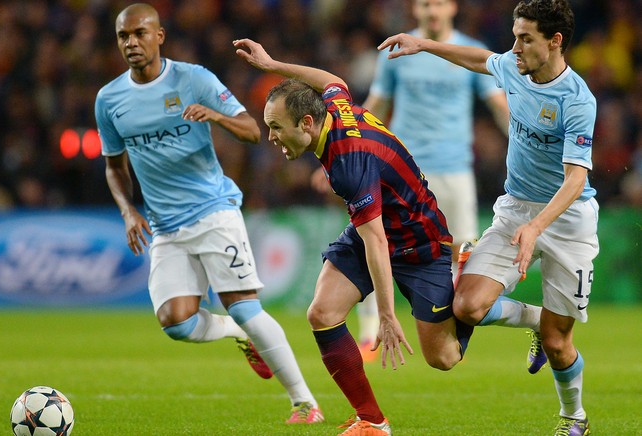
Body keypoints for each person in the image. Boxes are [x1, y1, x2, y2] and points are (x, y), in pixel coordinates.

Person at [234, 37, 484, 436]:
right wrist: (272, 65)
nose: (271, 138)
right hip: (378, 227)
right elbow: (331, 79)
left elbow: (377, 243)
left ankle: (467, 275)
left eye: (276, 127)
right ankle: (373, 421)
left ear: (306, 124)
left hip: (418, 242)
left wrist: (386, 316)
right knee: (322, 313)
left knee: (444, 358)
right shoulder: (332, 108)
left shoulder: (349, 163)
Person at [94, 3, 323, 424]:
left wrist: (214, 115)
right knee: (175, 323)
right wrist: (128, 211)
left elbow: (254, 131)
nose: (132, 43)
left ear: (159, 36)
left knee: (244, 305)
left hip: (214, 213)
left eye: (140, 33)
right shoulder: (109, 100)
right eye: (124, 36)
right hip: (165, 226)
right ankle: (240, 335)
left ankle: (305, 403)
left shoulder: (193, 79)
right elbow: (114, 166)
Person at [379, 0, 598, 434]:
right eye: (515, 36)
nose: (514, 47)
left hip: (568, 219)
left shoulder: (577, 100)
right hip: (516, 209)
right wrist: (423, 43)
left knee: (558, 343)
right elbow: (482, 59)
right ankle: (536, 318)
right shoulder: (515, 67)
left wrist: (537, 228)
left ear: (554, 42)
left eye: (525, 39)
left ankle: (574, 417)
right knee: (468, 306)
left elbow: (575, 179)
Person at [350, 0, 512, 361]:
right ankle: (369, 332)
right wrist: (347, 146)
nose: (432, 10)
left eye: (438, 3)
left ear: (452, 7)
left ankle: (452, 324)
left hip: (454, 169)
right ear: (416, 10)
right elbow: (376, 103)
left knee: (464, 251)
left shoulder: (466, 52)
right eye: (425, 4)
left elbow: (498, 104)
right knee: (380, 245)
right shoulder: (396, 51)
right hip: (403, 170)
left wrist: (526, 137)